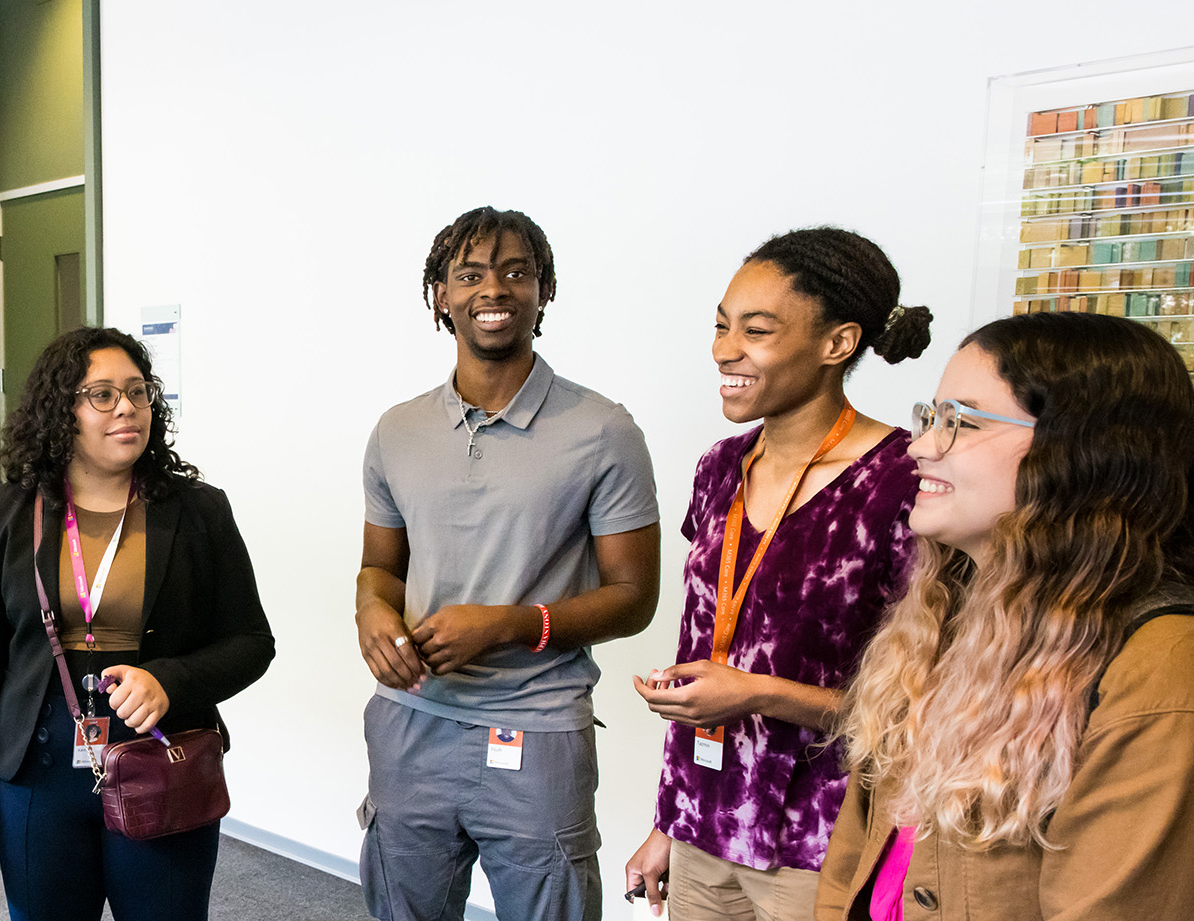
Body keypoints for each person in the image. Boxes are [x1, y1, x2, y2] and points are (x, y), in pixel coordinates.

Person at [816, 312, 1194, 920]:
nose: (919, 445)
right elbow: (853, 862)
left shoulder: (1157, 664)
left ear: (1079, 450)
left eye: (959, 422)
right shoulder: (943, 616)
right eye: (930, 416)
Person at [355, 206, 662, 921]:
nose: (494, 289)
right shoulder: (397, 429)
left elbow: (633, 596)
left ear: (543, 291)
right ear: (440, 294)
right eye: (470, 274)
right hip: (409, 723)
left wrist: (507, 625)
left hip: (537, 729)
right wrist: (370, 608)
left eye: (516, 272)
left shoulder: (603, 430)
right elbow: (379, 567)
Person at [624, 228, 933, 919]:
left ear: (837, 343)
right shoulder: (719, 466)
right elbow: (705, 644)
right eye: (720, 326)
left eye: (756, 330)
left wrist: (760, 693)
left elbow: (923, 699)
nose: (724, 350)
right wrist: (668, 820)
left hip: (822, 838)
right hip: (704, 826)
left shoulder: (905, 481)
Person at [0, 326, 275, 920]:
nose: (126, 407)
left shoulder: (197, 511)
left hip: (160, 761)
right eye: (101, 394)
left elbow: (252, 642)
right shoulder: (5, 510)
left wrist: (170, 681)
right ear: (59, 411)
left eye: (137, 391)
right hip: (36, 774)